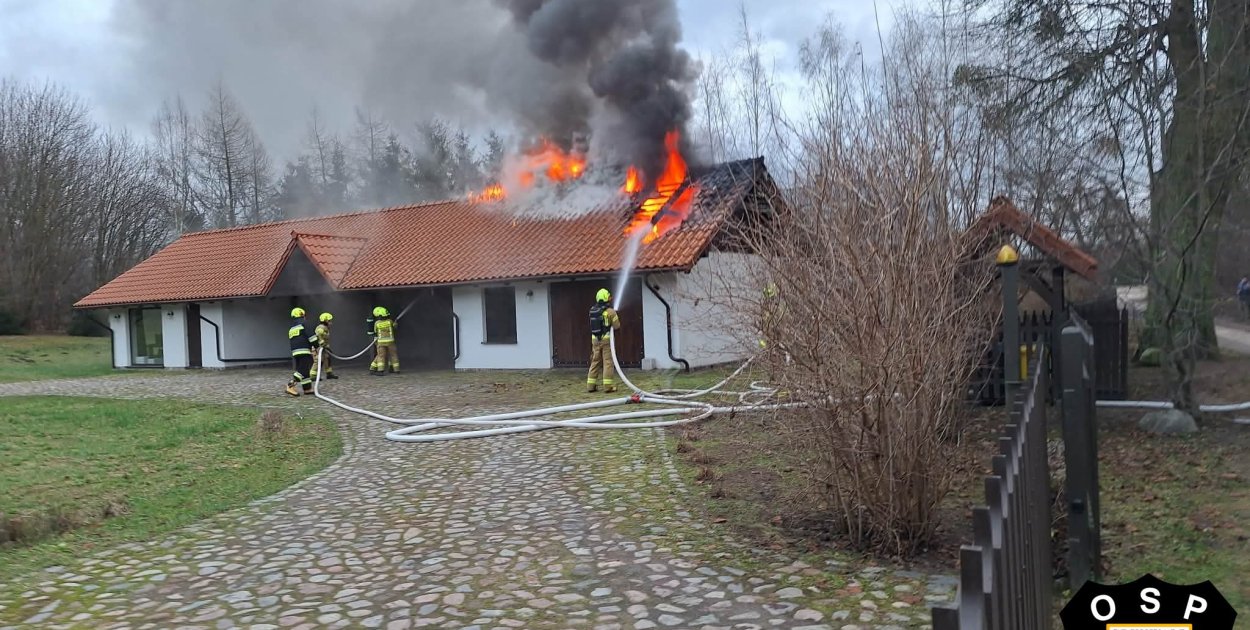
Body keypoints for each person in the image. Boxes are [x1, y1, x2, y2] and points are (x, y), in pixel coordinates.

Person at [586, 288, 621, 393]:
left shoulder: (592, 310)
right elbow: (617, 326)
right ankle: (608, 387)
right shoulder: (611, 312)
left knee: (595, 361)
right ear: (607, 298)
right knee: (607, 362)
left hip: (595, 340)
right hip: (606, 341)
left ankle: (590, 386)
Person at [285, 307, 320, 396]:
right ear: (302, 315)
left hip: (295, 352)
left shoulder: (292, 327)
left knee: (305, 370)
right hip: (304, 350)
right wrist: (317, 346)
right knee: (302, 369)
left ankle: (307, 388)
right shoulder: (304, 323)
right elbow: (311, 337)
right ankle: (290, 385)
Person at [370, 306, 399, 375]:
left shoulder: (377, 323)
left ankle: (380, 370)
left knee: (381, 356)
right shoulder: (390, 321)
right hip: (390, 342)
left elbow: (375, 331)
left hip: (381, 343)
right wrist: (395, 323)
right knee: (393, 355)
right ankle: (396, 370)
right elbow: (395, 327)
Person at [310, 312, 338, 380]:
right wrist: (323, 344)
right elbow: (319, 336)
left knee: (327, 359)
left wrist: (326, 347)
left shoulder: (325, 328)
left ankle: (329, 374)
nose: (331, 322)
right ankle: (313, 376)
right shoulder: (321, 328)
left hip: (323, 347)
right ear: (325, 320)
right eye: (329, 320)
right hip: (318, 347)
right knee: (318, 360)